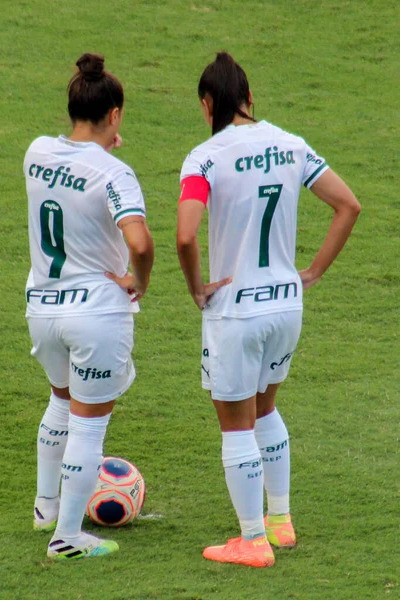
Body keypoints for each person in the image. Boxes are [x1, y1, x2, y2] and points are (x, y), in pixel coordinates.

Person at [176, 52, 360, 568]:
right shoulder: (291, 145)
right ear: (251, 98)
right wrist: (314, 271)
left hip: (236, 311)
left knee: (236, 425)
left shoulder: (204, 158)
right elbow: (349, 205)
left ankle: (252, 540)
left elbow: (186, 234)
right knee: (265, 410)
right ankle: (280, 523)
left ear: (208, 104)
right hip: (285, 304)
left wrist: (196, 287)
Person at [24, 53, 154, 560]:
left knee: (60, 399)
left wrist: (99, 149)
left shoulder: (35, 152)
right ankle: (69, 539)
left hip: (43, 309)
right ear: (115, 115)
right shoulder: (116, 174)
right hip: (96, 313)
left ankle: (45, 509)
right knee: (89, 424)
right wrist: (136, 280)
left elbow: (70, 168)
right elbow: (139, 243)